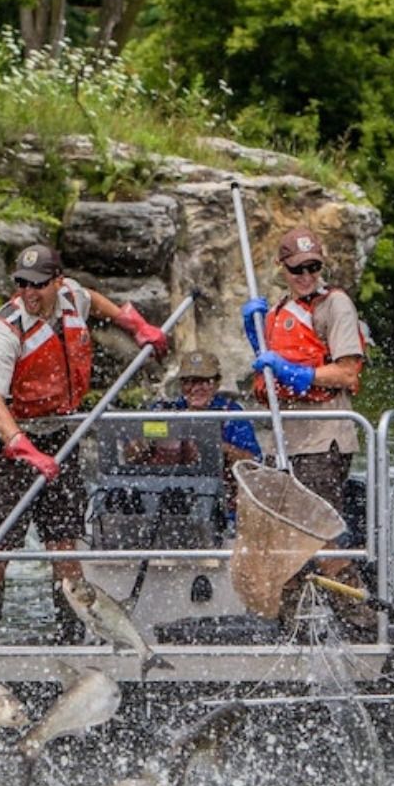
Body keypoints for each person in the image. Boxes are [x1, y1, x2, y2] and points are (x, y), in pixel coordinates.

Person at [0, 243, 168, 643]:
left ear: (57, 282)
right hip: (10, 443)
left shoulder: (72, 297)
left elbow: (94, 298)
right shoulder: (6, 328)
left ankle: (70, 638)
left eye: (39, 285)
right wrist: (23, 447)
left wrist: (136, 325)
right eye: (22, 284)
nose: (29, 293)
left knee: (64, 544)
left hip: (61, 435)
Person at [240, 227, 373, 627]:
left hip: (323, 436)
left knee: (317, 532)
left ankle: (359, 619)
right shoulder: (279, 309)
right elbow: (269, 372)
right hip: (287, 439)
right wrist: (257, 337)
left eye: (313, 267)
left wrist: (298, 374)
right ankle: (290, 622)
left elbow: (348, 373)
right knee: (284, 536)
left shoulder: (335, 306)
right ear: (283, 268)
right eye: (298, 269)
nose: (306, 276)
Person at [147, 349, 261, 520]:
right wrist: (168, 433)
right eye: (189, 382)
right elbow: (137, 443)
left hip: (220, 506)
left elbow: (254, 465)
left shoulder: (231, 413)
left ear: (216, 384)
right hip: (167, 501)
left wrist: (216, 446)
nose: (196, 388)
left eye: (204, 382)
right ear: (180, 385)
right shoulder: (165, 410)